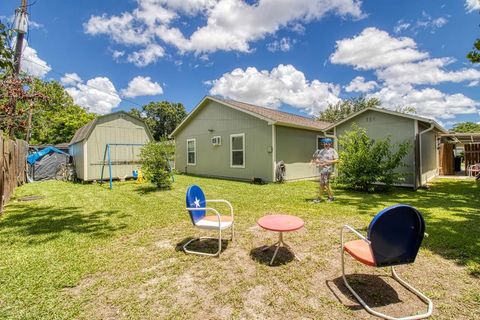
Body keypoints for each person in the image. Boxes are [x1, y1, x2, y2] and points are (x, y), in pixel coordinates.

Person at [311, 138, 339, 202]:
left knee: (324, 184)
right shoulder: (321, 151)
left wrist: (329, 161)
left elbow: (337, 160)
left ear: (330, 144)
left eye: (327, 143)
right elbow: (318, 159)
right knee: (324, 184)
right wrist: (317, 163)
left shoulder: (333, 151)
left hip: (328, 169)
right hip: (322, 169)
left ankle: (320, 198)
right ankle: (330, 197)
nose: (326, 144)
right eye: (325, 143)